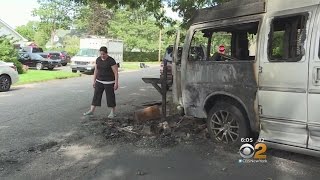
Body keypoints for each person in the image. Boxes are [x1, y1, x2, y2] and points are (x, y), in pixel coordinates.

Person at [83, 46, 119, 118]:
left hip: (109, 82)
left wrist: (116, 83)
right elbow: (96, 71)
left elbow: (116, 72)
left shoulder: (111, 61)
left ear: (106, 53)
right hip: (99, 81)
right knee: (96, 96)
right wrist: (94, 81)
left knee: (110, 97)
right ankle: (91, 111)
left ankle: (112, 112)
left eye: (104, 54)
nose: (102, 56)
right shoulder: (98, 59)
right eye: (101, 54)